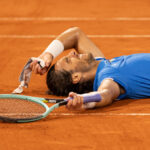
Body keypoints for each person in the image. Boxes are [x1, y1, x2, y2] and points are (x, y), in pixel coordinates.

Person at [30, 27, 150, 111]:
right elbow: (105, 95)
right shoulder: (107, 78)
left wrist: (48, 54)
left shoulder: (101, 63)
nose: (72, 52)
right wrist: (84, 100)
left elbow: (76, 34)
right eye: (68, 60)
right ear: (76, 76)